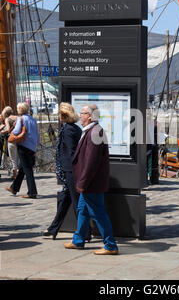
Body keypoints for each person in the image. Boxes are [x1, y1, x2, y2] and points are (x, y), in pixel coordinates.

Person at [63, 104, 118, 255]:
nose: (80, 116)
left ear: (90, 116)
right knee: (82, 210)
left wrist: (82, 182)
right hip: (90, 182)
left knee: (98, 213)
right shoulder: (91, 131)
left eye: (82, 113)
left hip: (91, 183)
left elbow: (91, 162)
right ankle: (78, 240)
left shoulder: (95, 132)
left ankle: (110, 245)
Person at [42, 103, 83, 240]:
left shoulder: (67, 130)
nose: (58, 117)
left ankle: (84, 233)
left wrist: (71, 169)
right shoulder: (75, 128)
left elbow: (71, 152)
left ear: (64, 115)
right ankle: (54, 228)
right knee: (65, 199)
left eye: (59, 114)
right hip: (69, 169)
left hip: (70, 170)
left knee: (77, 202)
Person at [5, 102, 40, 199]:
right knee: (22, 168)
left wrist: (13, 130)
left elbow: (16, 131)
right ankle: (14, 188)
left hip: (23, 146)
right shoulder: (33, 119)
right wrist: (35, 147)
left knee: (28, 170)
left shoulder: (21, 119)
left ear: (19, 110)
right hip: (32, 147)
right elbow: (37, 135)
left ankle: (32, 192)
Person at [0, 106, 19, 179]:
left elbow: (8, 129)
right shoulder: (17, 117)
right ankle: (19, 172)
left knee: (13, 158)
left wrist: (0, 132)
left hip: (12, 139)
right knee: (18, 156)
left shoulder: (7, 119)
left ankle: (15, 175)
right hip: (20, 139)